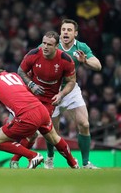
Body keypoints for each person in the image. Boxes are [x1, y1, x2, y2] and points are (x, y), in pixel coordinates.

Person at [9, 31, 76, 168]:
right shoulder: (34, 54)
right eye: (44, 43)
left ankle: (16, 160)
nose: (45, 47)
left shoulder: (65, 60)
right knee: (37, 133)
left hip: (49, 100)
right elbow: (20, 71)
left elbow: (71, 82)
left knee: (38, 132)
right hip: (31, 97)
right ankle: (72, 162)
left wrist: (61, 94)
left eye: (49, 44)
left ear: (57, 46)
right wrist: (31, 84)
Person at [46, 19, 102, 169]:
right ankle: (50, 159)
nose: (65, 32)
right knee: (52, 130)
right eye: (63, 29)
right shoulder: (52, 44)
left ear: (75, 33)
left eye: (69, 30)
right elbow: (34, 58)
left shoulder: (81, 47)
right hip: (51, 90)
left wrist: (85, 61)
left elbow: (98, 65)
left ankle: (85, 163)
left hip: (70, 89)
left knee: (84, 124)